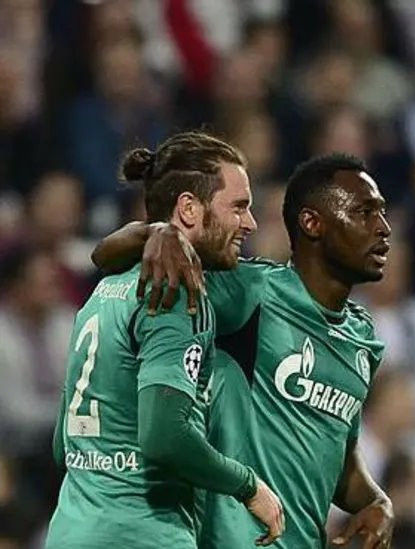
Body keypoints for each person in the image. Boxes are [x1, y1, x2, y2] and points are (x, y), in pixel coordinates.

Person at [92, 153, 395, 549]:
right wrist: (152, 233)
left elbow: (340, 460)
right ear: (312, 223)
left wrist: (377, 502)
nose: (384, 228)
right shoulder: (251, 293)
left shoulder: (361, 335)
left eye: (382, 212)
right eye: (364, 212)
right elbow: (106, 259)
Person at [44, 131, 284, 549]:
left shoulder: (105, 290)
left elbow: (63, 446)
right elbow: (164, 438)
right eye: (239, 207)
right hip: (142, 534)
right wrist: (249, 486)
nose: (250, 223)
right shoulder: (175, 295)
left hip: (72, 529)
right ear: (189, 209)